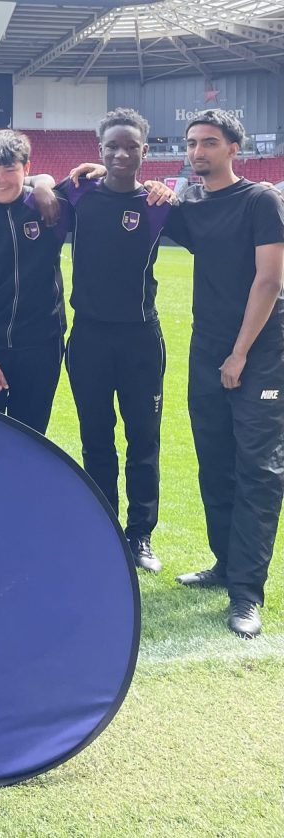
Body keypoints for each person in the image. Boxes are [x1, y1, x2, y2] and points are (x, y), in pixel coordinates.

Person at [167, 110, 284, 638]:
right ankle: (224, 565)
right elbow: (141, 199)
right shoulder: (194, 205)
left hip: (258, 352)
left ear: (234, 148)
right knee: (214, 463)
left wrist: (239, 354)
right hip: (206, 348)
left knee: (257, 470)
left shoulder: (261, 200)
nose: (197, 152)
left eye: (209, 143)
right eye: (192, 144)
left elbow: (269, 281)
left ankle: (247, 594)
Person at [59, 108, 177, 574]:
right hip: (88, 336)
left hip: (140, 339)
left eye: (131, 146)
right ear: (100, 151)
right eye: (113, 146)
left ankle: (140, 535)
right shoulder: (79, 192)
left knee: (143, 440)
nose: (122, 153)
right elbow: (32, 188)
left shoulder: (160, 204)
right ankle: (105, 526)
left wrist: (173, 189)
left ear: (145, 151)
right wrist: (52, 181)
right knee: (96, 439)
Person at [0, 130, 71, 434]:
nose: (0, 179)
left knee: (31, 438)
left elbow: (93, 180)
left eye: (10, 170)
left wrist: (43, 184)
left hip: (41, 348)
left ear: (26, 169)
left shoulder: (49, 209)